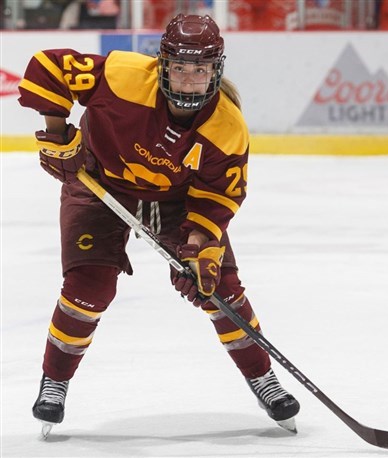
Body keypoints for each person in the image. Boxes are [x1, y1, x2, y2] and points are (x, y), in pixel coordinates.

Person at [18, 14, 300, 435]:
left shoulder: (227, 127)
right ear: (162, 65)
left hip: (177, 201)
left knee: (219, 287)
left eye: (201, 70)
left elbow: (218, 196)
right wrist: (58, 136)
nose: (189, 81)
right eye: (180, 69)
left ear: (216, 70)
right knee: (88, 288)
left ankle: (263, 377)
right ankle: (54, 382)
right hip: (98, 182)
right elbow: (48, 65)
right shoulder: (124, 77)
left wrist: (200, 245)